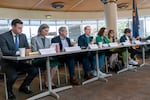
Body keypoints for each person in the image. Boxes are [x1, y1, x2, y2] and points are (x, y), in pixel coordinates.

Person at [0, 19, 38, 100]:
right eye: (19, 28)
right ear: (13, 27)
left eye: (22, 28)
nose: (21, 30)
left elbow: (27, 48)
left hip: (20, 62)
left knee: (34, 70)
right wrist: (19, 52)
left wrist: (28, 50)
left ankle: (23, 87)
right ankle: (9, 91)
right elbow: (5, 52)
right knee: (13, 75)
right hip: (7, 63)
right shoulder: (3, 36)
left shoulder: (23, 36)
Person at [31, 24, 59, 89]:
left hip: (46, 57)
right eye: (45, 30)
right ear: (40, 30)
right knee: (48, 64)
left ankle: (47, 82)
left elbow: (49, 49)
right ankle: (49, 83)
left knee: (55, 64)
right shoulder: (34, 39)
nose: (47, 32)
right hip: (38, 59)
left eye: (47, 31)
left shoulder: (47, 39)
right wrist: (43, 52)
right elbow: (34, 51)